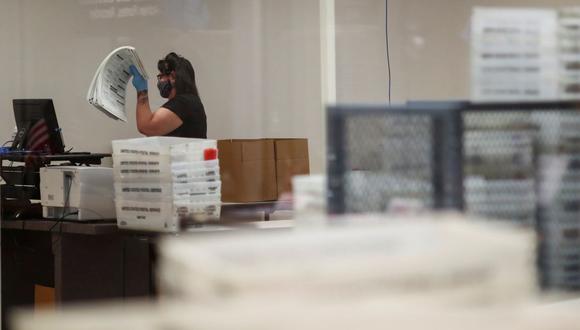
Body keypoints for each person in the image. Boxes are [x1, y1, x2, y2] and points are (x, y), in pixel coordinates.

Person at [129, 52, 207, 138]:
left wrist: (142, 91)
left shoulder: (183, 103)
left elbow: (146, 126)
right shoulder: (189, 102)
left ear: (173, 77)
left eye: (161, 76)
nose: (159, 81)